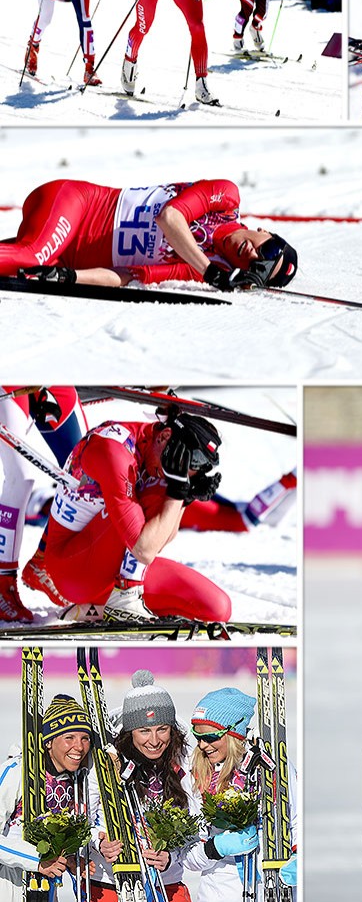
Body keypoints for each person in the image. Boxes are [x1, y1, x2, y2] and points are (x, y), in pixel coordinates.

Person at [27, 409, 233, 624]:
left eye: (197, 467)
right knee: (155, 491)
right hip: (73, 571)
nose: (188, 470)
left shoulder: (161, 454)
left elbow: (162, 538)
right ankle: (125, 596)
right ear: (164, 436)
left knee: (217, 608)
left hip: (112, 568)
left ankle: (97, 609)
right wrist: (176, 490)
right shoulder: (115, 451)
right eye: (190, 462)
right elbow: (144, 549)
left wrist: (185, 497)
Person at [0, 179, 298, 293]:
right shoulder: (227, 199)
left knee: (22, 267)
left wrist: (69, 277)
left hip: (65, 254)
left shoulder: (206, 269)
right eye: (269, 250)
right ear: (265, 232)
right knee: (31, 254)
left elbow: (130, 275)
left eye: (259, 267)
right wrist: (207, 271)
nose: (256, 255)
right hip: (77, 204)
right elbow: (170, 217)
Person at [92, 670, 199, 901]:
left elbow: (195, 827)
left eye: (162, 729)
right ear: (130, 733)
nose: (154, 740)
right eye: (144, 731)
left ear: (173, 729)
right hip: (113, 884)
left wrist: (171, 856)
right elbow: (85, 819)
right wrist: (99, 843)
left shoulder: (184, 762)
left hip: (166, 883)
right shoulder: (108, 761)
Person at [188, 687, 298, 900]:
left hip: (270, 887)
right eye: (198, 737)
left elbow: (296, 819)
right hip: (218, 893)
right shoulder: (197, 773)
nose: (203, 745)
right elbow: (187, 857)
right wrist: (215, 848)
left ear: (233, 734)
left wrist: (298, 856)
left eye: (210, 737)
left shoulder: (270, 766)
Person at [0, 386, 87, 620]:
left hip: (52, 374)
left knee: (86, 471)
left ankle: (41, 563)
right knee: (21, 475)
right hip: (10, 376)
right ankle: (2, 585)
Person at [0, 693, 93, 900]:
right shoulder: (17, 771)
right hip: (8, 885)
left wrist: (68, 858)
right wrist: (37, 860)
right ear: (49, 741)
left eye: (84, 738)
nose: (79, 747)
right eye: (69, 737)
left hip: (45, 889)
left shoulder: (77, 781)